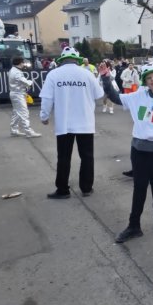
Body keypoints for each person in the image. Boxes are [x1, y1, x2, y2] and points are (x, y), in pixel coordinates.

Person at [100, 61, 153, 243]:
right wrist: (106, 78)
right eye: (149, 77)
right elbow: (116, 97)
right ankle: (134, 226)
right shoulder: (139, 95)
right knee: (139, 187)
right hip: (138, 149)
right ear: (145, 81)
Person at [39, 46, 104, 199]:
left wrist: (44, 116)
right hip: (85, 122)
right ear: (77, 60)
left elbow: (47, 98)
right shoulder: (87, 74)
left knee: (63, 157)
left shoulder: (54, 74)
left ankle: (63, 190)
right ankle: (86, 188)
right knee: (87, 157)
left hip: (64, 123)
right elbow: (99, 95)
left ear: (61, 60)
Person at [8, 57, 41, 138]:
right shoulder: (17, 72)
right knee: (24, 113)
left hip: (16, 93)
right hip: (18, 94)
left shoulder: (13, 70)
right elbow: (25, 82)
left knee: (16, 112)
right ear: (20, 63)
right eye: (23, 62)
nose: (24, 64)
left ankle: (14, 130)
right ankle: (28, 132)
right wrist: (30, 81)